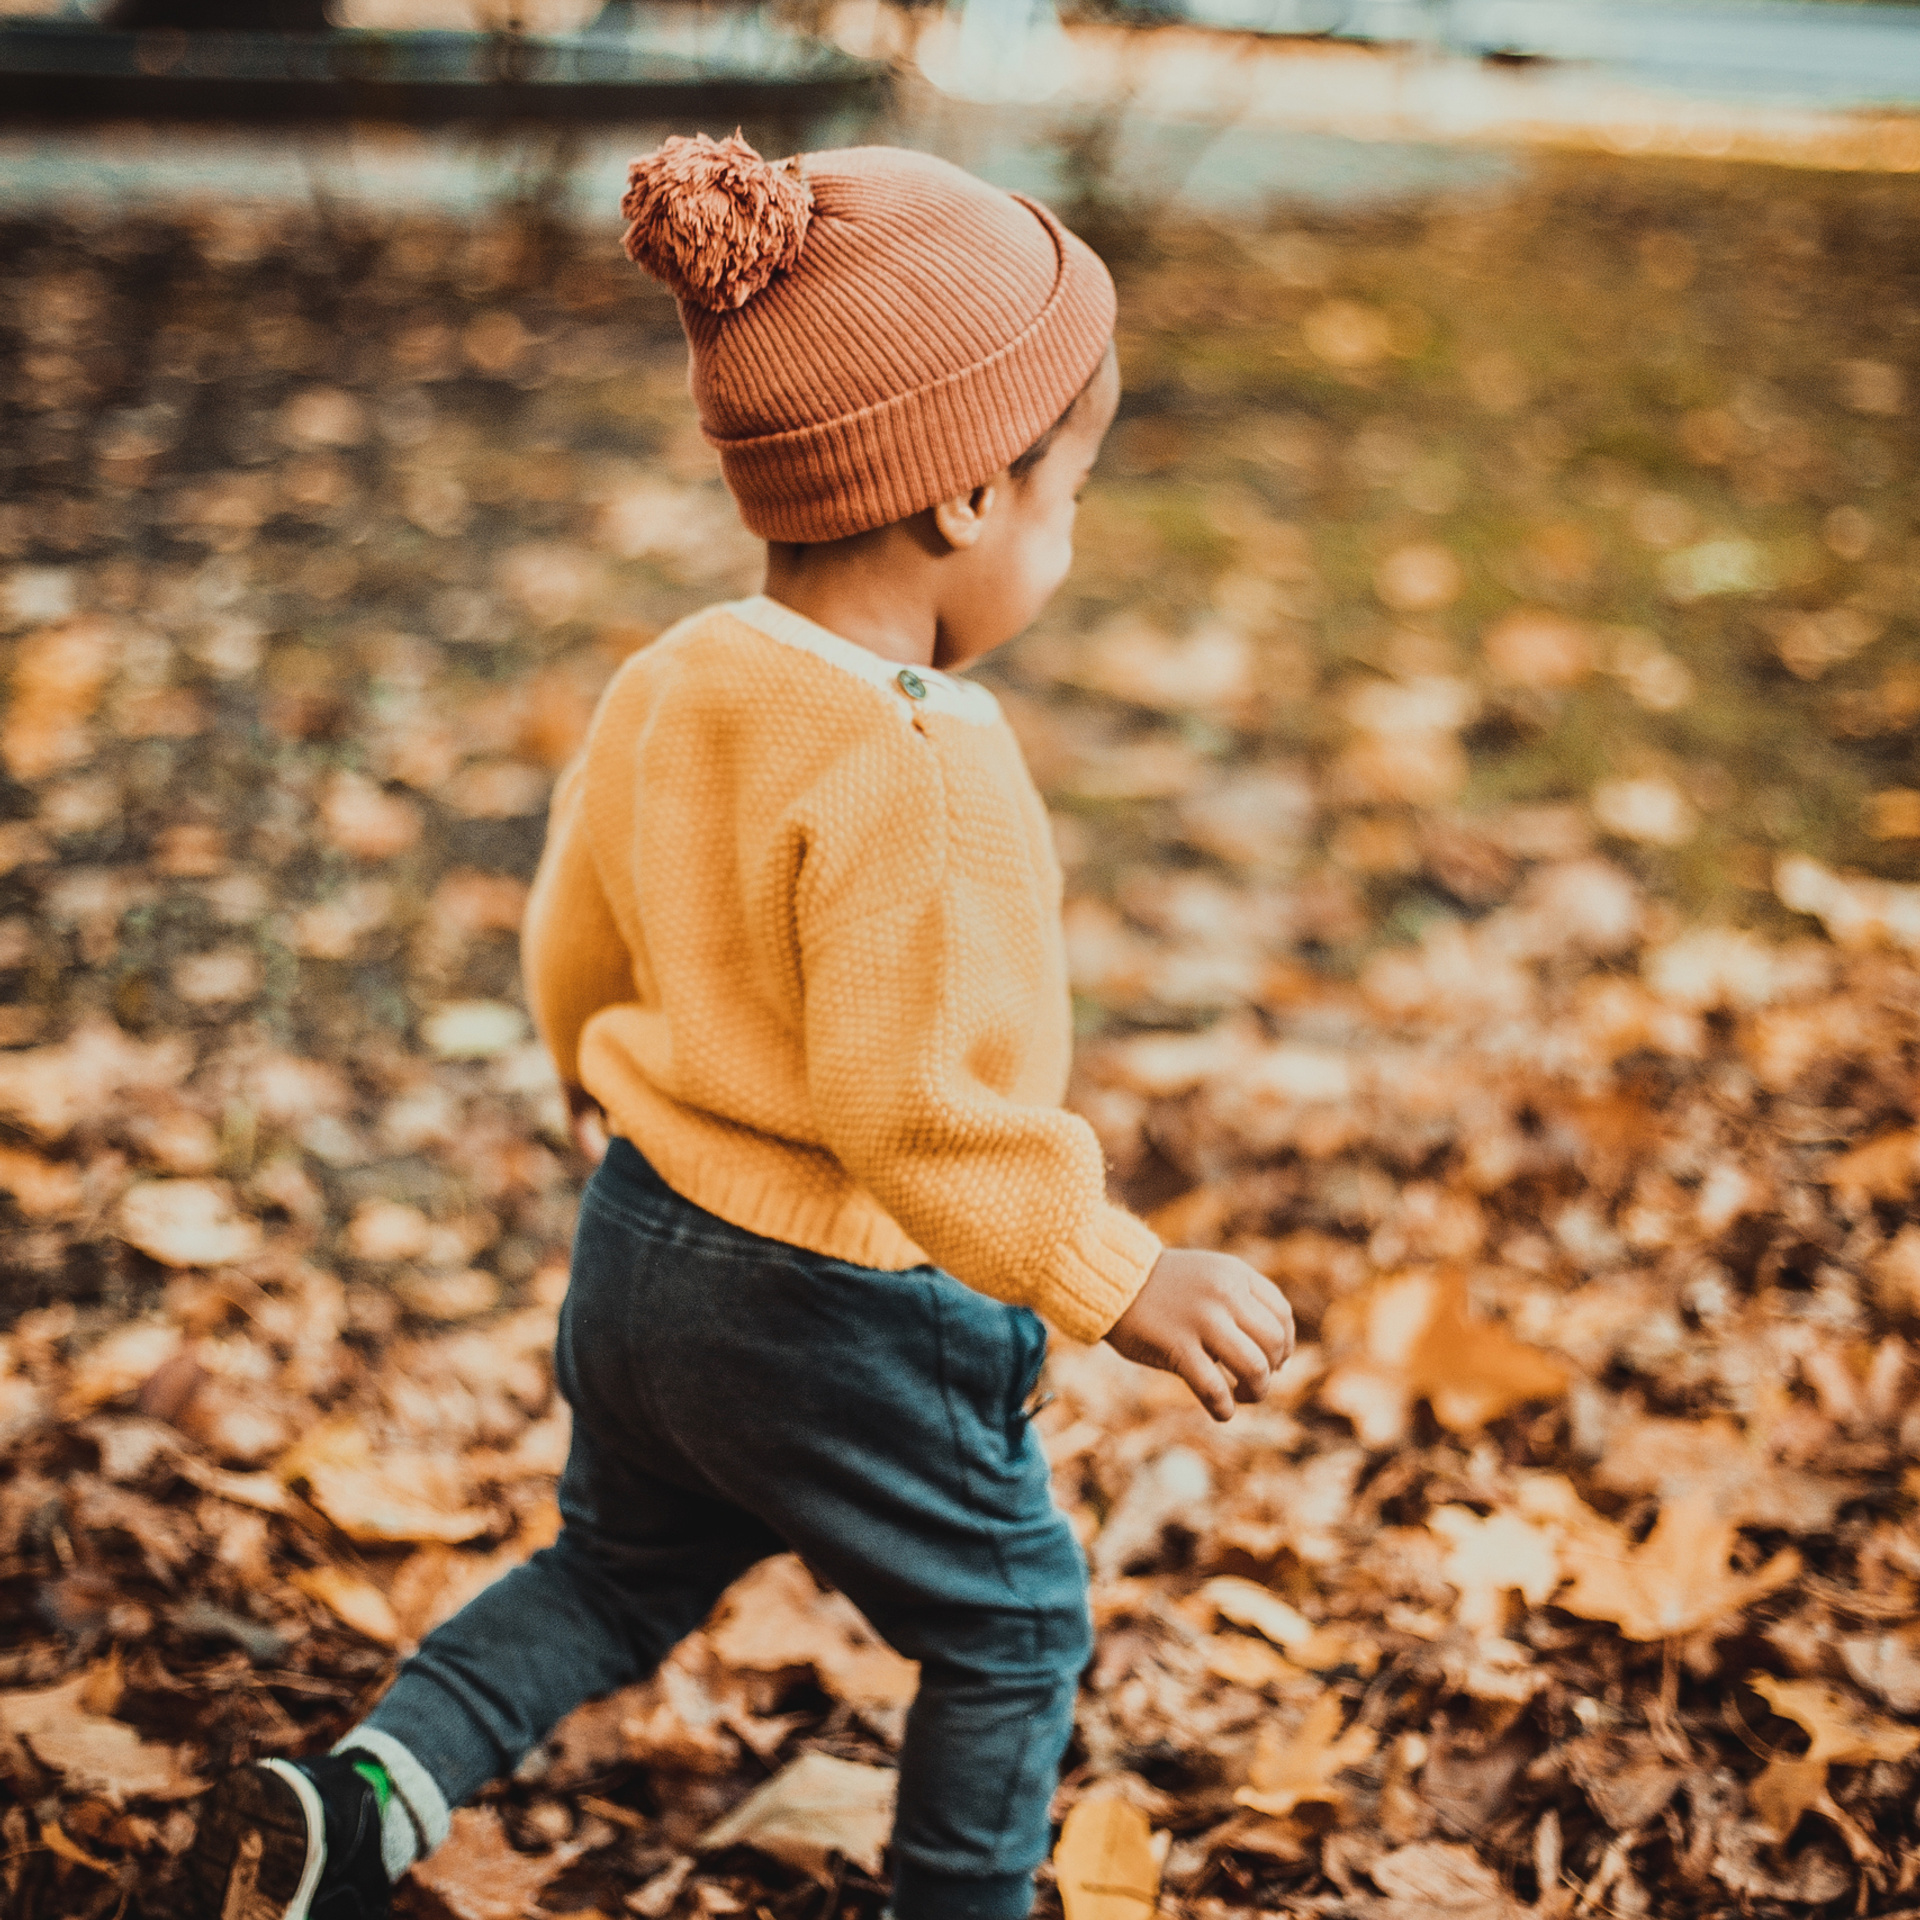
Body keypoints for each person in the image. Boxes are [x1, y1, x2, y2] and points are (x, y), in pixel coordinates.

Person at [189, 132, 1295, 1920]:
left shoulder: (683, 676)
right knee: (1016, 1629)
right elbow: (914, 1107)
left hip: (640, 1248)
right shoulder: (933, 766)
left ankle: (369, 1797)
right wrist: (1109, 1271)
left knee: (617, 1574)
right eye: (1069, 493)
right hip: (838, 1301)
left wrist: (581, 1065)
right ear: (961, 500)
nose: (1071, 540)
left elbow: (576, 908)